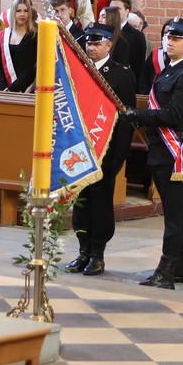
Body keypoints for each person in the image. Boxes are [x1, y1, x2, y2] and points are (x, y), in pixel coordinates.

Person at [127, 18, 183, 289]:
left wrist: (138, 115)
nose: (169, 42)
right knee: (175, 214)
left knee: (174, 216)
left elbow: (173, 115)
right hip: (161, 150)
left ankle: (166, 271)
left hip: (174, 154)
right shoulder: (170, 70)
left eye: (176, 39)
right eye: (168, 37)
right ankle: (182, 268)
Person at [63, 25, 135, 276]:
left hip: (106, 150)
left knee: (101, 203)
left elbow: (126, 118)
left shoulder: (121, 75)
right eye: (88, 43)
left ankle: (97, 254)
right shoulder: (79, 71)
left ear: (109, 45)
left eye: (96, 43)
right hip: (81, 149)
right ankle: (83, 250)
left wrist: (119, 155)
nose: (91, 48)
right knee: (82, 202)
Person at [109, 0, 151, 95]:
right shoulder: (105, 32)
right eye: (111, 9)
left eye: (118, 9)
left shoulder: (136, 36)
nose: (114, 12)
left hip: (124, 89)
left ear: (127, 11)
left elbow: (137, 68)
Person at [0, 0, 38, 92]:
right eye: (18, 11)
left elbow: (31, 69)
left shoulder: (34, 36)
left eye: (25, 11)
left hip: (25, 90)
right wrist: (3, 87)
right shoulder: (3, 35)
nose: (22, 14)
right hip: (3, 91)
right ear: (13, 12)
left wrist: (13, 88)